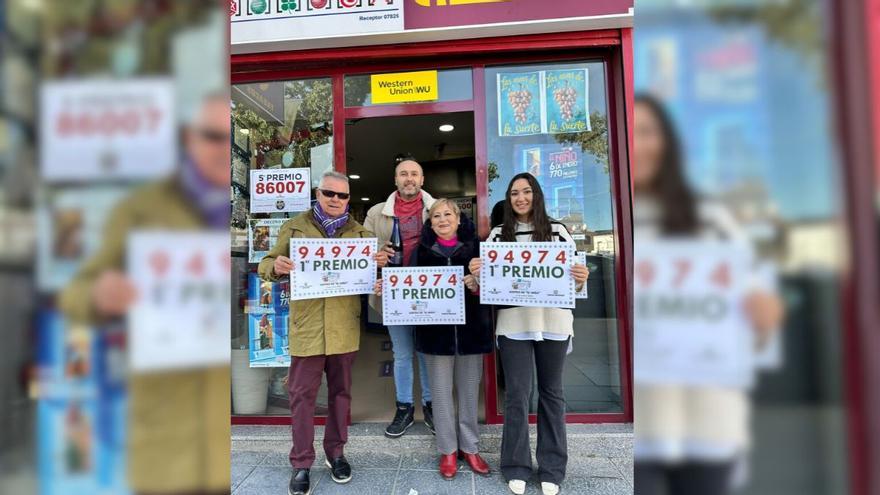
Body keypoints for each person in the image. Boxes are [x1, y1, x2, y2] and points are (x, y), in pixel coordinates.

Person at [59, 94, 232, 494]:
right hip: (168, 430)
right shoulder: (140, 209)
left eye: (229, 137)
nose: (223, 148)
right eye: (211, 136)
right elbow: (76, 293)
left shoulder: (243, 211)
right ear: (190, 139)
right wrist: (99, 296)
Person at [632, 94, 784, 495]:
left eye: (646, 131)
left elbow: (757, 309)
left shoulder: (709, 217)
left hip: (707, 421)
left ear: (666, 142)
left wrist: (764, 315)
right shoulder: (620, 215)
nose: (636, 143)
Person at [258, 170, 390, 495]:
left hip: (343, 328)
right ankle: (301, 462)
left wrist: (379, 272)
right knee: (301, 397)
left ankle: (336, 453)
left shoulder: (360, 235)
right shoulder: (295, 227)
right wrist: (274, 267)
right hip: (308, 328)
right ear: (318, 194)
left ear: (348, 199)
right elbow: (266, 262)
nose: (335, 200)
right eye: (329, 193)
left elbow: (370, 280)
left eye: (342, 195)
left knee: (341, 394)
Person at [469, 172, 589, 495]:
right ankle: (516, 465)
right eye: (513, 194)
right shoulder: (497, 235)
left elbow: (574, 284)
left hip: (554, 322)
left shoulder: (558, 231)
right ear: (508, 200)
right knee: (517, 395)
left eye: (526, 192)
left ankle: (552, 467)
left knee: (552, 393)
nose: (520, 198)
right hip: (513, 324)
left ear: (536, 195)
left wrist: (580, 276)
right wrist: (477, 273)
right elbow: (487, 286)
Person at [377, 199, 493, 479]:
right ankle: (448, 450)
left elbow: (499, 289)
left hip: (471, 334)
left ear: (458, 218)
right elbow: (409, 290)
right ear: (430, 223)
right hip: (435, 336)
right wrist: (389, 290)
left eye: (447, 214)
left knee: (467, 393)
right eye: (436, 216)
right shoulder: (421, 251)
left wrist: (478, 284)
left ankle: (471, 447)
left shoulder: (478, 250)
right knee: (440, 396)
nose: (442, 219)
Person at [364, 153, 436, 437]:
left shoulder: (438, 208)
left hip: (430, 293)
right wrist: (376, 258)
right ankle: (404, 408)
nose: (409, 178)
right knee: (403, 354)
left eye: (414, 174)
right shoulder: (377, 212)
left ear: (422, 179)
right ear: (395, 180)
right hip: (395, 293)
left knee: (427, 352)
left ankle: (431, 406)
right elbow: (362, 254)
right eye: (403, 174)